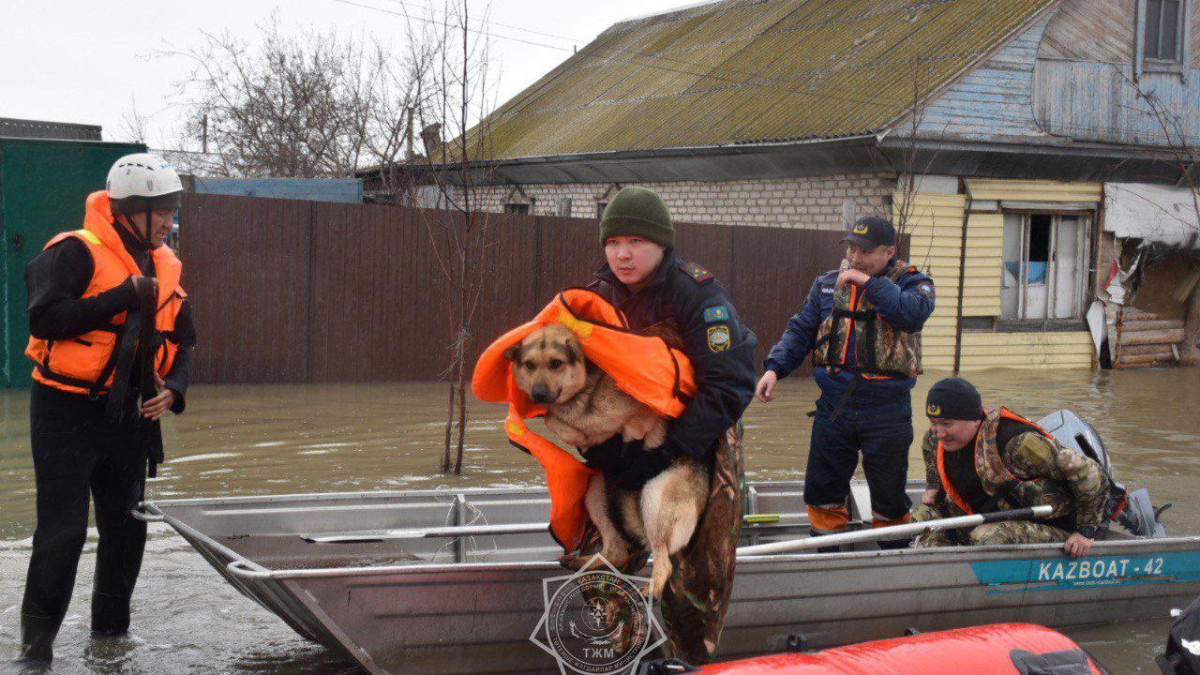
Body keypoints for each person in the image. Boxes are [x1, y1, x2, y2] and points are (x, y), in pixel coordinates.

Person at [14, 153, 197, 666]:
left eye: (171, 210)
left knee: (126, 529)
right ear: (128, 210)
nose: (168, 220)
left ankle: (110, 647)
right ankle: (34, 655)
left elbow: (185, 340)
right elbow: (45, 321)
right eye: (159, 211)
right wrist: (121, 296)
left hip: (129, 417)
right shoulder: (75, 251)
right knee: (64, 532)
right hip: (64, 411)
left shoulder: (165, 263)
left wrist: (176, 389)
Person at [581, 186, 757, 663]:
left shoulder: (697, 292)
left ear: (662, 243)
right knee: (593, 556)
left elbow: (731, 385)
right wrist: (597, 448)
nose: (622, 252)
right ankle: (617, 656)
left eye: (635, 240)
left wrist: (667, 452)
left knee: (696, 579)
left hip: (698, 445)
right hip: (621, 445)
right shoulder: (593, 299)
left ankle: (688, 658)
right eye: (613, 241)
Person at [755, 215, 934, 545]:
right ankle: (827, 558)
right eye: (851, 249)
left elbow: (910, 314)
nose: (855, 258)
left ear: (889, 252)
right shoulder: (826, 284)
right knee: (822, 491)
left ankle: (893, 558)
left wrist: (866, 282)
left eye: (865, 251)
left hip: (887, 411)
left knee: (889, 497)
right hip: (834, 407)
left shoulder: (914, 284)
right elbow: (801, 330)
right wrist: (773, 368)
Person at [911, 377, 1109, 557]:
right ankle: (943, 568)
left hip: (1049, 525)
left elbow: (1089, 473)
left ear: (973, 419)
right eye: (933, 422)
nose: (940, 433)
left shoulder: (1019, 444)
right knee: (922, 517)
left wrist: (1086, 531)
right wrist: (933, 487)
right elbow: (931, 454)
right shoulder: (934, 439)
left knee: (988, 536)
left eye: (947, 424)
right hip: (994, 515)